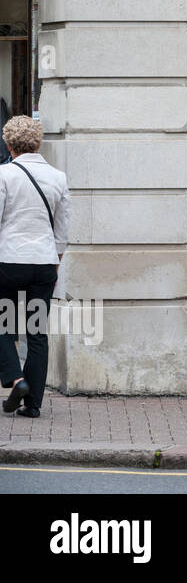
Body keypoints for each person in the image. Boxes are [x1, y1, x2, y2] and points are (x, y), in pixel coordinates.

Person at [0, 117, 71, 419]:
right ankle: (34, 405)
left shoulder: (3, 175)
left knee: (3, 324)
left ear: (8, 143)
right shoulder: (58, 177)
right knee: (37, 331)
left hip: (9, 260)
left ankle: (16, 380)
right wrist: (55, 262)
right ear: (38, 143)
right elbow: (63, 229)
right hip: (44, 263)